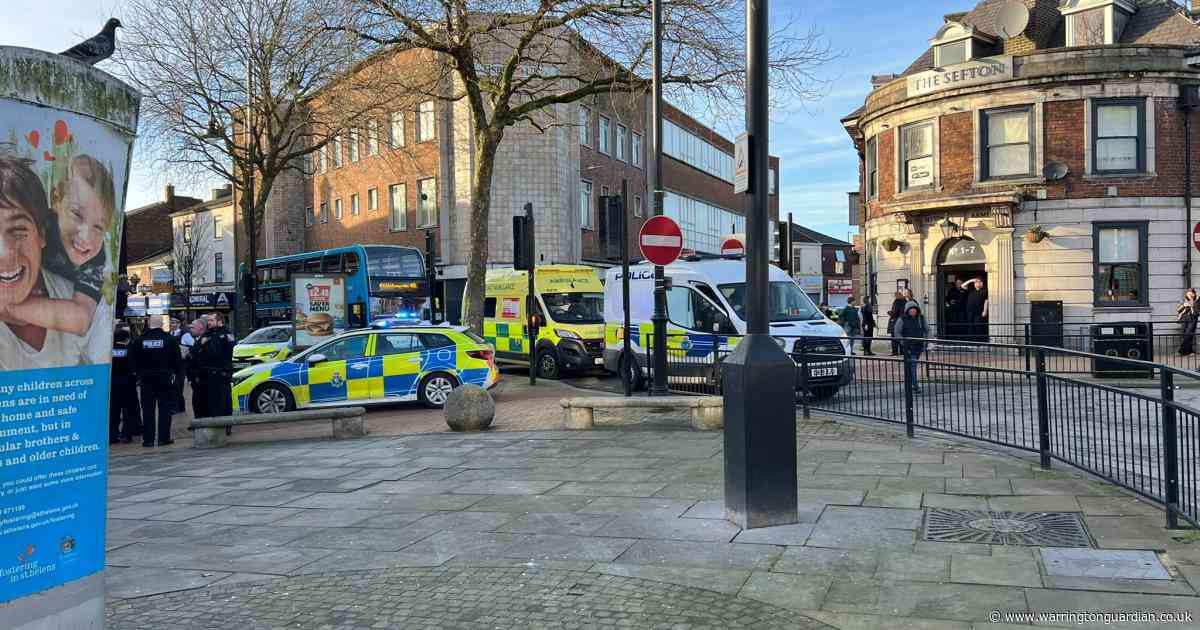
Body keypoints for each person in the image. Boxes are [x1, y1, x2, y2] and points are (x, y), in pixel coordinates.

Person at [0, 154, 96, 369]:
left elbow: (82, 320)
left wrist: (12, 309)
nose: (5, 253)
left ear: (41, 234)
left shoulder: (71, 288)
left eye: (18, 230)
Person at [130, 321, 182, 446]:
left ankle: (148, 440)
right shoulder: (169, 339)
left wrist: (138, 374)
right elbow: (178, 359)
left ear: (149, 324)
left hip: (146, 379)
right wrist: (174, 372)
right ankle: (163, 438)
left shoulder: (139, 340)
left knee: (147, 409)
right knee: (165, 409)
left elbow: (132, 360)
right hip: (165, 378)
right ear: (161, 324)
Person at [195, 311, 235, 423]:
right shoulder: (210, 334)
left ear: (220, 321)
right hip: (208, 375)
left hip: (220, 373)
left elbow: (215, 353)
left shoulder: (225, 334)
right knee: (212, 403)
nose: (209, 323)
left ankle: (223, 426)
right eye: (208, 321)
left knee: (222, 402)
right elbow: (195, 350)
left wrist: (204, 345)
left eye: (211, 320)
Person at [109, 327, 140, 444]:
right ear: (127, 339)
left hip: (112, 384)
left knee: (113, 410)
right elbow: (134, 367)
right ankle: (126, 434)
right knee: (128, 411)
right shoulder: (129, 350)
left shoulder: (109, 350)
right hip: (127, 384)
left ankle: (112, 435)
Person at [895, 300, 928, 394]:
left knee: (911, 367)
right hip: (909, 347)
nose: (913, 311)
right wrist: (903, 342)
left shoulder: (921, 318)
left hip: (919, 346)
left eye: (914, 309)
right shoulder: (902, 319)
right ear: (907, 310)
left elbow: (927, 329)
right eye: (911, 310)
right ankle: (915, 385)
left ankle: (909, 384)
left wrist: (927, 341)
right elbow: (897, 332)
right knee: (912, 367)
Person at [185, 317, 210, 420]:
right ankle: (198, 421)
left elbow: (201, 359)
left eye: (193, 327)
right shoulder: (198, 340)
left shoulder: (205, 340)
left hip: (200, 378)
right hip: (195, 378)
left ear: (200, 328)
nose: (191, 329)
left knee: (200, 401)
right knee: (197, 401)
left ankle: (201, 422)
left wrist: (190, 356)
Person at [170, 317, 192, 414]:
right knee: (174, 386)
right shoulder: (169, 334)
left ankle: (176, 407)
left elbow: (193, 345)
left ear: (178, 324)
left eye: (173, 322)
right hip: (172, 364)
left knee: (178, 385)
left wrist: (185, 351)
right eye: (170, 322)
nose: (171, 324)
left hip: (181, 364)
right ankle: (180, 407)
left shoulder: (185, 334)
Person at [886, 289, 911, 356]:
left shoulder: (897, 302)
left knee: (894, 337)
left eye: (895, 295)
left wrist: (889, 313)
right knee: (901, 336)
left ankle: (895, 352)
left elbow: (895, 312)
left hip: (895, 321)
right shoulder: (905, 301)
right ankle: (902, 351)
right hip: (903, 321)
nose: (895, 297)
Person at [1179, 288, 1199, 356]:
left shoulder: (1198, 300)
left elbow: (1197, 310)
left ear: (1194, 294)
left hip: (1192, 319)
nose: (1189, 295)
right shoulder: (1186, 299)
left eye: (1190, 293)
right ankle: (1189, 351)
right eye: (1188, 293)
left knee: (1188, 334)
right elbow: (1180, 309)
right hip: (1185, 319)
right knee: (1186, 334)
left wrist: (1192, 304)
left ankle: (1182, 351)